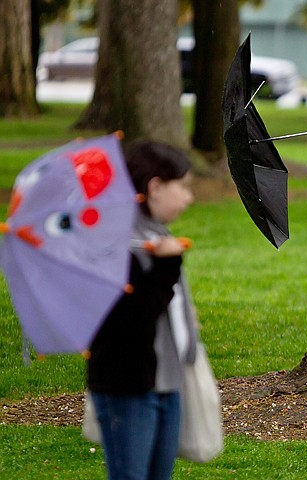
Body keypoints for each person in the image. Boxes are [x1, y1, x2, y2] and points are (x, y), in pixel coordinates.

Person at [86, 140, 197, 479]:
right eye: (184, 187)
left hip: (166, 381)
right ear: (156, 187)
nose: (189, 198)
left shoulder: (155, 233)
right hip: (129, 386)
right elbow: (134, 318)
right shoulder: (119, 241)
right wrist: (167, 267)